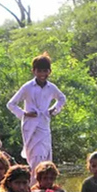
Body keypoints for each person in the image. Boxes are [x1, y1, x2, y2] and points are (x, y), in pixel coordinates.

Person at [6, 53, 66, 183]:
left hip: (45, 125)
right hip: (31, 127)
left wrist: (53, 110)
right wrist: (24, 114)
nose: (42, 74)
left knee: (46, 158)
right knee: (35, 158)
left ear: (49, 71)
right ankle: (33, 187)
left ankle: (45, 186)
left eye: (45, 71)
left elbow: (62, 99)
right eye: (39, 71)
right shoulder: (27, 87)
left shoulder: (51, 88)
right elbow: (11, 104)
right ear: (34, 71)